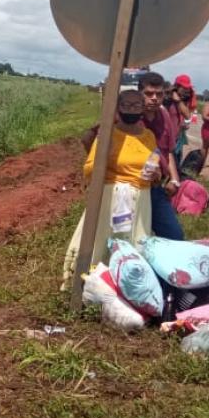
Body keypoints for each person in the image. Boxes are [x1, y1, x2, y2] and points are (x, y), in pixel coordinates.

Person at [63, 90, 158, 285]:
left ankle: (125, 287)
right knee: (98, 244)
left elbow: (155, 167)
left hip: (140, 200)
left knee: (133, 245)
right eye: (126, 105)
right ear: (118, 108)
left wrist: (156, 175)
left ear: (143, 108)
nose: (131, 110)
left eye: (136, 105)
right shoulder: (107, 134)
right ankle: (86, 285)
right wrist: (104, 162)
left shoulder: (149, 137)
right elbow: (89, 169)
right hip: (110, 197)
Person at [82, 72, 186, 240]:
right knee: (119, 237)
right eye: (149, 94)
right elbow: (89, 140)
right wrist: (104, 171)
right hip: (122, 189)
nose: (154, 98)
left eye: (159, 94)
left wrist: (174, 179)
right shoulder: (124, 117)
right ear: (140, 94)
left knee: (173, 235)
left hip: (154, 188)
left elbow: (168, 151)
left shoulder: (164, 116)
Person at [169, 74, 197, 167]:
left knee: (176, 165)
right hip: (167, 138)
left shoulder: (182, 100)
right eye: (184, 88)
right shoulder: (168, 99)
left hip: (177, 138)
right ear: (177, 87)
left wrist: (178, 101)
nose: (186, 91)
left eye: (187, 89)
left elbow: (187, 115)